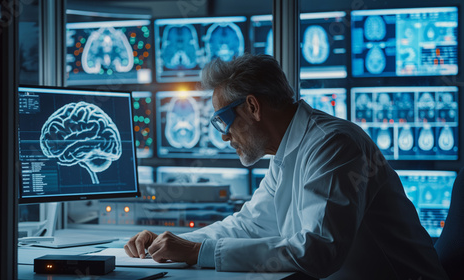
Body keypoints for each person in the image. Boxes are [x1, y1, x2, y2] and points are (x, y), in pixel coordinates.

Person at [125, 54, 448, 279]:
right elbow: (249, 225)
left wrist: (198, 252)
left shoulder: (334, 145)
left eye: (223, 120)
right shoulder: (288, 151)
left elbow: (319, 251)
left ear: (252, 106)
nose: (224, 136)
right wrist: (171, 243)